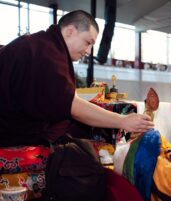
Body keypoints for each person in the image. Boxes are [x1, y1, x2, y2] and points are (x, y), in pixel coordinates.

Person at [0, 10, 153, 147]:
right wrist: (122, 121)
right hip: (10, 135)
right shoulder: (48, 54)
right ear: (70, 31)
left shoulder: (41, 44)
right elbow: (73, 106)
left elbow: (65, 97)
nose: (88, 51)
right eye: (88, 42)